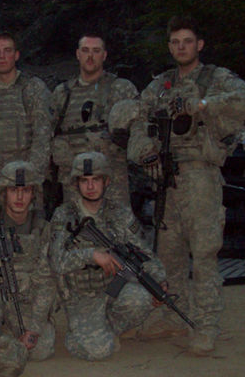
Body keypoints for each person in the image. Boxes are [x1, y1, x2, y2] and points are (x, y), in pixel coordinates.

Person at [127, 15, 245, 355]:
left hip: (201, 175)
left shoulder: (216, 78)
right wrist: (145, 153)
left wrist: (203, 105)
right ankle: (174, 314)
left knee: (203, 253)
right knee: (168, 253)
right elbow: (137, 119)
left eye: (187, 41)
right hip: (166, 178)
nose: (180, 47)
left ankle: (205, 322)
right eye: (175, 42)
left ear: (199, 44)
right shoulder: (160, 85)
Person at [49, 152, 165, 361]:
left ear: (107, 181)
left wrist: (159, 280)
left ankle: (102, 328)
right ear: (76, 184)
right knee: (98, 352)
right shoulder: (64, 215)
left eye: (96, 180)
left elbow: (145, 253)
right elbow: (56, 260)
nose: (90, 186)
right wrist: (91, 255)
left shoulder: (119, 214)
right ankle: (87, 332)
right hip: (80, 295)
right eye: (84, 181)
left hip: (112, 289)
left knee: (141, 298)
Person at [0, 161, 56, 376]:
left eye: (25, 190)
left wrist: (34, 328)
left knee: (40, 349)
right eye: (13, 190)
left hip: (24, 301)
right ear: (3, 193)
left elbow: (47, 283)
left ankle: (1, 345)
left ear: (33, 194)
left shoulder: (42, 228)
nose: (19, 197)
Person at [51, 33, 139, 206]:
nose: (90, 56)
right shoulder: (62, 94)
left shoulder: (121, 89)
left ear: (104, 55)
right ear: (78, 54)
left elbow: (140, 131)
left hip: (112, 181)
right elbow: (46, 134)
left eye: (96, 51)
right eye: (85, 50)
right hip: (74, 182)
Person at [0, 31, 52, 191]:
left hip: (22, 180)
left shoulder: (32, 88)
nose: (1, 56)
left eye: (7, 51)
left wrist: (31, 177)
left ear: (16, 55)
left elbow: (42, 137)